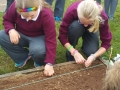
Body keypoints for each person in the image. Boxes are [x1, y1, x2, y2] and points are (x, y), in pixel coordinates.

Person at [0, 0, 57, 76]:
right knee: (1, 36)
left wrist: (50, 63)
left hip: (38, 37)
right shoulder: (15, 6)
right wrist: (11, 30)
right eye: (25, 16)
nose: (29, 19)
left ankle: (39, 62)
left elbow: (51, 39)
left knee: (38, 50)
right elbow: (7, 20)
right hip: (21, 34)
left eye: (32, 16)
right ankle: (22, 57)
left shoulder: (46, 14)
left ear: (38, 8)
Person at [58, 0, 112, 67]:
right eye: (82, 22)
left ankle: (86, 46)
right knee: (76, 26)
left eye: (89, 23)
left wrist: (93, 56)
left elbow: (106, 42)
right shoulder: (72, 11)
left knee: (91, 51)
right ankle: (71, 51)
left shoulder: (102, 16)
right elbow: (62, 36)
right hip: (76, 27)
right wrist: (73, 51)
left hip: (91, 30)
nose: (86, 25)